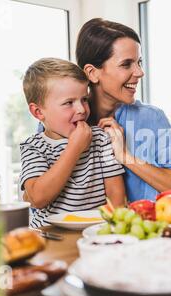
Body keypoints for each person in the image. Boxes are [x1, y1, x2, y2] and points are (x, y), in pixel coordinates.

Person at [75, 18, 171, 202]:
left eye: (139, 62)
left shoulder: (152, 119)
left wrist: (126, 157)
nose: (139, 72)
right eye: (126, 64)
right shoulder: (62, 120)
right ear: (92, 73)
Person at [20, 58, 125, 227]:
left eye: (84, 99)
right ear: (38, 112)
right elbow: (37, 198)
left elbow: (116, 196)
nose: (82, 109)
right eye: (69, 103)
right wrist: (74, 148)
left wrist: (113, 226)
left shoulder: (100, 138)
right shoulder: (34, 147)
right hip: (50, 235)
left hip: (95, 230)